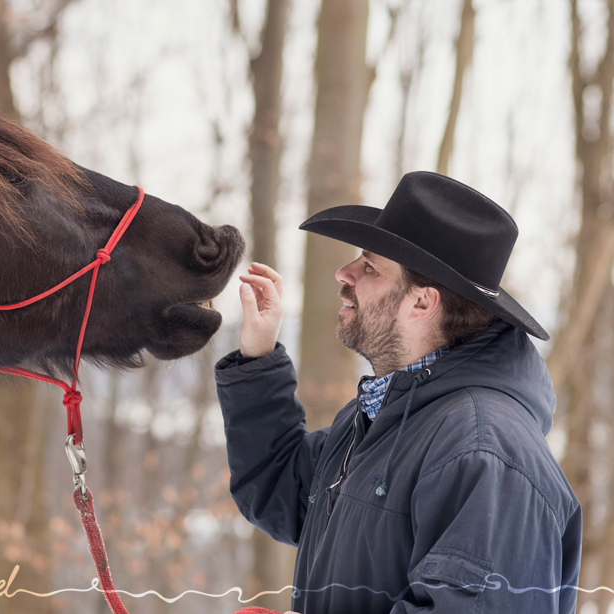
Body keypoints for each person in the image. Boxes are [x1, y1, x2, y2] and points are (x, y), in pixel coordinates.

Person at [215, 171, 581, 613]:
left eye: (369, 266)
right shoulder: (386, 415)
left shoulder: (485, 452)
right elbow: (281, 492)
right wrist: (258, 356)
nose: (343, 272)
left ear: (422, 303)